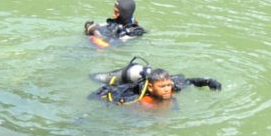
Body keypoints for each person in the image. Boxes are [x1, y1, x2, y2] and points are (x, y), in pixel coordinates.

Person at [91, 58, 222, 106]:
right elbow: (105, 92)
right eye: (162, 86)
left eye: (168, 85)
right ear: (151, 88)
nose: (167, 89)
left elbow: (190, 81)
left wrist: (208, 81)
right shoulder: (135, 94)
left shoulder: (173, 86)